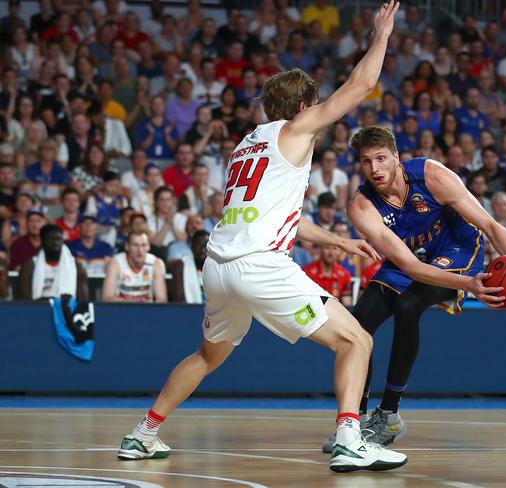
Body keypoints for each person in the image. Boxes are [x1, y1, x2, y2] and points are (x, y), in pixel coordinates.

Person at [118, 2, 408, 473]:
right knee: (356, 340)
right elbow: (360, 86)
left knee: (208, 355)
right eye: (313, 104)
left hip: (219, 266)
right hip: (258, 267)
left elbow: (273, 216)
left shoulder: (246, 145)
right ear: (300, 107)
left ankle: (142, 434)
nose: (317, 111)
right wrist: (381, 36)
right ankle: (351, 437)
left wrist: (336, 241)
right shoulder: (296, 129)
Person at [321, 126, 506, 453]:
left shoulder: (433, 175)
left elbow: (492, 226)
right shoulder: (362, 206)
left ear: (396, 157)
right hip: (414, 258)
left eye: (381, 159)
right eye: (366, 162)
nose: (375, 169)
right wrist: (468, 287)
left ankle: (389, 414)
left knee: (408, 305)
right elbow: (408, 266)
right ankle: (354, 421)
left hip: (458, 249)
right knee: (358, 324)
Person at [19, 223, 87, 300]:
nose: (55, 243)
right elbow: (25, 300)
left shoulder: (76, 266)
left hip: (66, 310)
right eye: (50, 239)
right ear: (42, 240)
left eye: (58, 239)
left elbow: (82, 300)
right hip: (37, 309)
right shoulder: (30, 266)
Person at [102, 230, 167, 303]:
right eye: (135, 245)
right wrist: (134, 302)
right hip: (121, 310)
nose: (140, 250)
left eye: (143, 245)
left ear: (149, 247)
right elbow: (107, 298)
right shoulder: (115, 263)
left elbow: (162, 300)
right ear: (127, 246)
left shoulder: (156, 263)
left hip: (147, 310)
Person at [169, 229, 209, 303]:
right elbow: (178, 300)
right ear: (191, 246)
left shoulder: (219, 266)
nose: (203, 250)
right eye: (199, 245)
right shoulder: (180, 265)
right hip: (190, 311)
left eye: (206, 246)